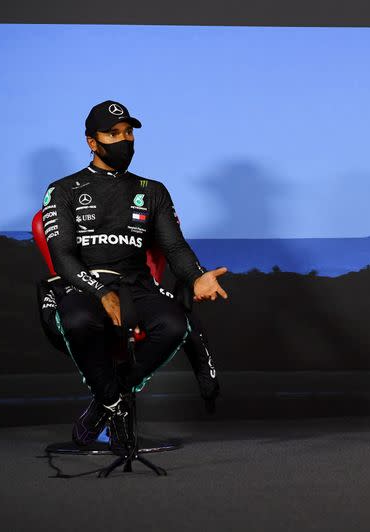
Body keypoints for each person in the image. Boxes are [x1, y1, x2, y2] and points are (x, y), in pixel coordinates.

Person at [41, 100, 229, 450]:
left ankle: (107, 400)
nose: (123, 140)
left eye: (128, 133)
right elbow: (62, 256)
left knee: (174, 324)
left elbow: (174, 249)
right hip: (85, 286)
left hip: (137, 287)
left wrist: (198, 276)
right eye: (112, 134)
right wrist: (100, 293)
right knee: (79, 319)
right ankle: (115, 405)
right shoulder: (62, 189)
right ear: (91, 142)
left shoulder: (152, 190)